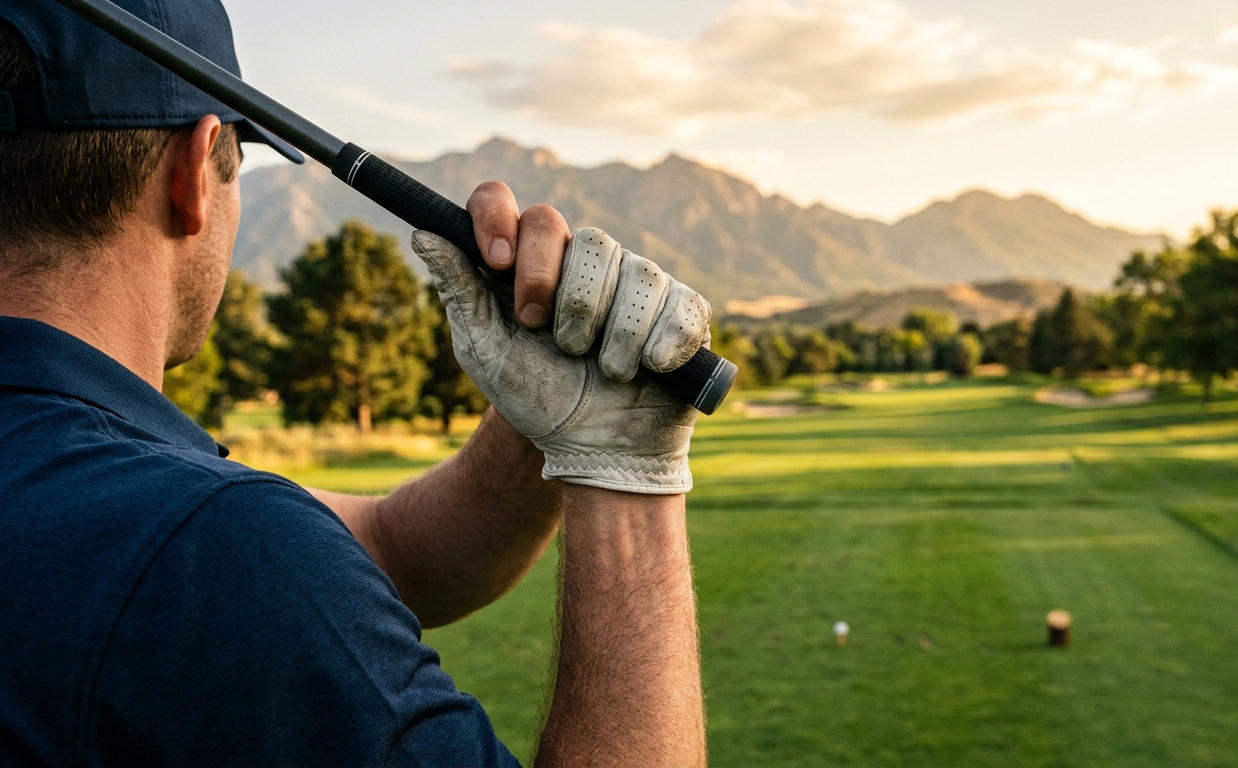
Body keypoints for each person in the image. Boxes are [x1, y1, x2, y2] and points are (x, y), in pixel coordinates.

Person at [0, 1, 709, 765]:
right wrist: (626, 471)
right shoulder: (213, 547)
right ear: (194, 174)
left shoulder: (134, 513)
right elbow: (235, 562)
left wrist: (549, 421)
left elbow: (391, 545)